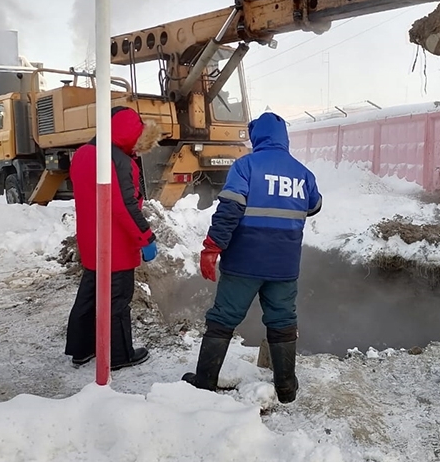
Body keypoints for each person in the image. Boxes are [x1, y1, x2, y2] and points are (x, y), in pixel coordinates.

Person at [182, 112, 322, 404]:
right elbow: (315, 205)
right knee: (283, 320)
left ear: (256, 136)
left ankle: (204, 383)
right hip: (284, 265)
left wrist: (212, 247)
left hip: (244, 262)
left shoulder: (245, 166)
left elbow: (230, 210)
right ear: (284, 138)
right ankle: (286, 388)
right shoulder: (303, 173)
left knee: (222, 319)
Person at [65, 106, 161, 370]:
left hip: (90, 240)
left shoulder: (84, 153)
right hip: (115, 244)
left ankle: (81, 349)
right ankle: (120, 355)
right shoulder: (117, 161)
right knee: (117, 300)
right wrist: (146, 237)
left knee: (89, 295)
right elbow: (124, 206)